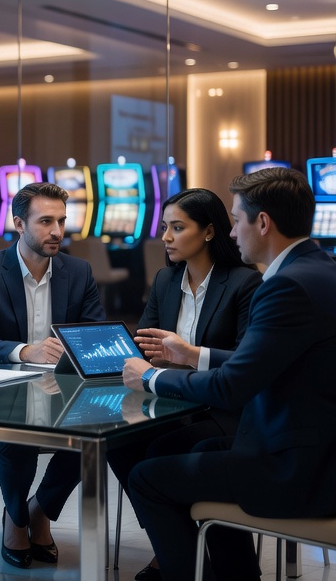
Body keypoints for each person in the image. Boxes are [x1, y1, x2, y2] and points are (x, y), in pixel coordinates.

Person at [121, 167, 336, 581]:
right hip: (330, 453)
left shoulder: (286, 286)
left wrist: (150, 377)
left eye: (237, 219)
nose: (232, 231)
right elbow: (258, 363)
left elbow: (232, 388)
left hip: (302, 471)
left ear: (263, 223)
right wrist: (193, 355)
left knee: (146, 479)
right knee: (198, 450)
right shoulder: (324, 271)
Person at [107, 188, 262, 581]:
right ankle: (171, 543)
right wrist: (150, 360)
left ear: (209, 231)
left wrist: (187, 355)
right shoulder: (165, 278)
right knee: (119, 443)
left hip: (223, 409)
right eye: (165, 227)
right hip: (171, 402)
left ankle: (176, 554)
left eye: (177, 227)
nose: (166, 237)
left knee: (161, 450)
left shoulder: (244, 282)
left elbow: (244, 362)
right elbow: (145, 345)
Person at [0, 181, 105, 568]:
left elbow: (95, 333)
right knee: (17, 439)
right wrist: (26, 351)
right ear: (19, 224)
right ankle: (17, 521)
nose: (57, 231)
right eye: (45, 221)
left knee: (96, 438)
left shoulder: (79, 271)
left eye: (61, 221)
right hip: (3, 391)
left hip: (63, 391)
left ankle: (38, 510)